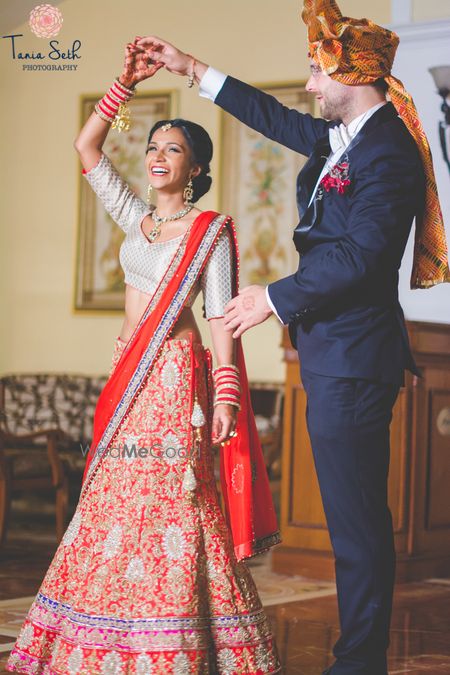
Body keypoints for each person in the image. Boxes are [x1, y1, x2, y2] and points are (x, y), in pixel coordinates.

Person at [135, 0, 450, 672]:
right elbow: (271, 116)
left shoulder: (388, 150)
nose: (309, 85)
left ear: (352, 74)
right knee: (350, 519)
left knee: (357, 523)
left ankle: (359, 661)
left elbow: (362, 255)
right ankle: (358, 656)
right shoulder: (349, 137)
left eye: (316, 71)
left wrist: (271, 297)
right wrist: (191, 68)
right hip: (333, 352)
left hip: (355, 356)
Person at [7, 41, 281, 674]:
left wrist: (229, 393)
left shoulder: (210, 231)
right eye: (153, 147)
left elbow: (218, 317)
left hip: (177, 379)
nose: (157, 156)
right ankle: (106, 631)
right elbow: (87, 149)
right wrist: (122, 84)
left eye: (173, 149)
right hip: (129, 369)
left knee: (174, 499)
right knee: (112, 496)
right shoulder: (135, 220)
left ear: (196, 169)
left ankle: (175, 639)